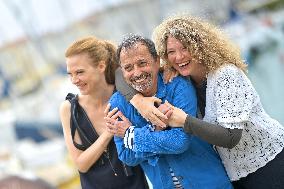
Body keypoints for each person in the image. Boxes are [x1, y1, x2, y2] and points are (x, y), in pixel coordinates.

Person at [116, 15, 284, 189]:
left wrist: (184, 121)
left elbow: (231, 137)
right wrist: (138, 101)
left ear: (201, 46)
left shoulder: (225, 75)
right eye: (171, 52)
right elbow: (119, 75)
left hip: (268, 161)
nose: (179, 57)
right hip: (234, 173)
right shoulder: (184, 78)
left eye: (185, 48)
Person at [106, 34, 232, 189]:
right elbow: (126, 156)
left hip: (208, 183)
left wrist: (132, 135)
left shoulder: (178, 85)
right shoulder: (117, 103)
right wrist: (155, 128)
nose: (137, 73)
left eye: (142, 63)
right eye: (128, 68)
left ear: (157, 61)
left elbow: (180, 141)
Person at [59, 36, 148, 189]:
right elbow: (81, 164)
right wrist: (109, 132)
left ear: (101, 66)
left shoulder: (126, 96)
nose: (74, 80)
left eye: (79, 72)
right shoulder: (69, 109)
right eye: (70, 74)